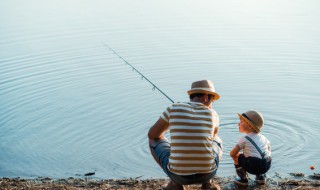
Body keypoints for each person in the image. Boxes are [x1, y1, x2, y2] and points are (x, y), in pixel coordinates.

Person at [148, 80, 223, 190]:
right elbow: (213, 137)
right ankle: (208, 183)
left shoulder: (173, 108)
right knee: (217, 140)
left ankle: (174, 184)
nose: (212, 104)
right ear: (206, 97)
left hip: (179, 176)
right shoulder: (213, 114)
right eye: (212, 101)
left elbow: (152, 134)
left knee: (153, 140)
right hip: (208, 173)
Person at [230, 110, 272, 186]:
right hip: (267, 165)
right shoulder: (264, 138)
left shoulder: (245, 139)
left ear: (250, 126)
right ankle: (261, 177)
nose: (238, 123)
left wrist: (239, 156)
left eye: (241, 122)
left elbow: (232, 153)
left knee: (237, 156)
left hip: (253, 166)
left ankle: (242, 179)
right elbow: (268, 150)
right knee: (260, 155)